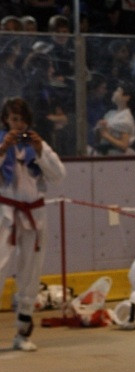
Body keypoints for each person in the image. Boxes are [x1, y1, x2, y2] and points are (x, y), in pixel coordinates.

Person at [0, 96, 66, 350]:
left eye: (21, 120)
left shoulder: (39, 144)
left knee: (30, 272)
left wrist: (39, 151)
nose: (17, 124)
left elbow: (59, 176)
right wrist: (3, 149)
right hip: (7, 214)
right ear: (5, 120)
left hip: (34, 215)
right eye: (13, 119)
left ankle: (23, 332)